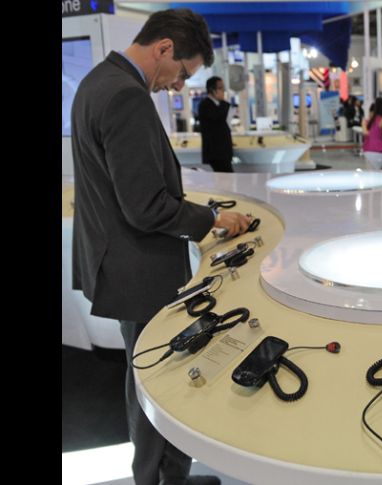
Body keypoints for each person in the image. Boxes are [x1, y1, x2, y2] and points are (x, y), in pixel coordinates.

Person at [70, 9, 252, 485]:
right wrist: (212, 220)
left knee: (144, 374)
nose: (178, 85)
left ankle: (164, 474)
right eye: (182, 73)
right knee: (157, 380)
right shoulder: (126, 96)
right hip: (139, 270)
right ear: (164, 48)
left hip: (118, 262)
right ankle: (157, 477)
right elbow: (146, 207)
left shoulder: (96, 81)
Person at [198, 76, 234, 172]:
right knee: (226, 177)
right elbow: (218, 119)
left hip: (223, 153)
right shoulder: (205, 105)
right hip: (216, 153)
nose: (223, 91)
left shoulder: (219, 105)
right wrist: (224, 103)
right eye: (220, 88)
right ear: (212, 90)